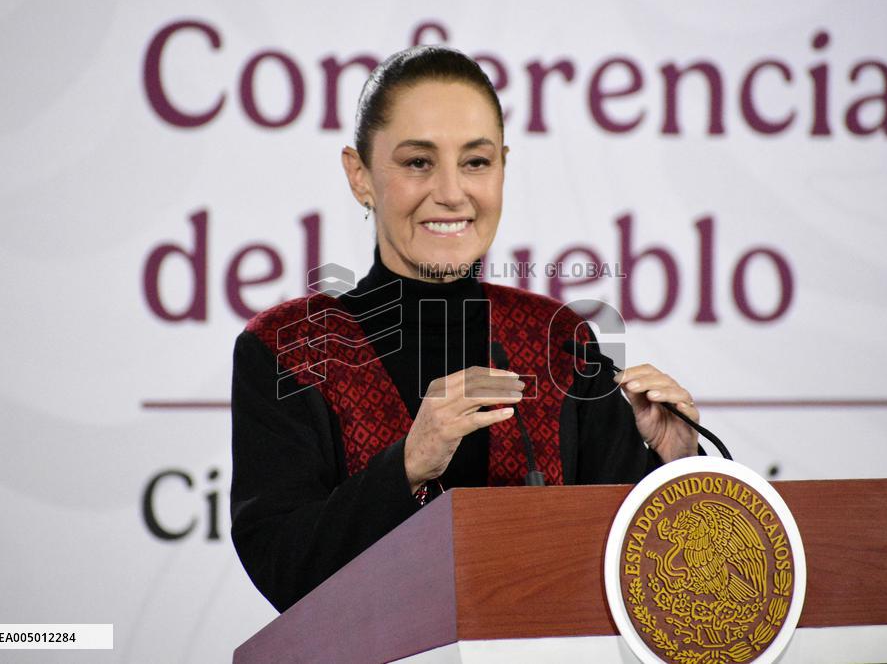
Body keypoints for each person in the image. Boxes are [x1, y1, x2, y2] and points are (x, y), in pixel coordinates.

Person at [229, 45, 700, 613]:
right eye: (417, 162)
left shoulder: (558, 338)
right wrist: (407, 463)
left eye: (476, 162)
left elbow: (640, 577)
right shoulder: (289, 349)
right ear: (360, 176)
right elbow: (281, 564)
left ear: (502, 166)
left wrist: (675, 467)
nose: (452, 193)